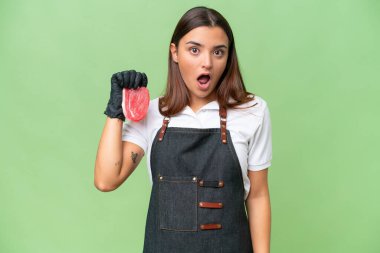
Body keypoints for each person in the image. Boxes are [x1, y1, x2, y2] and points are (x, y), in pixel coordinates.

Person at [95, 6, 272, 253]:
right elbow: (106, 180)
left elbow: (258, 196)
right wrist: (116, 112)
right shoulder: (152, 113)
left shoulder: (252, 111)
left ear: (228, 57)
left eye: (218, 52)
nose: (207, 63)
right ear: (175, 52)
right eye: (194, 50)